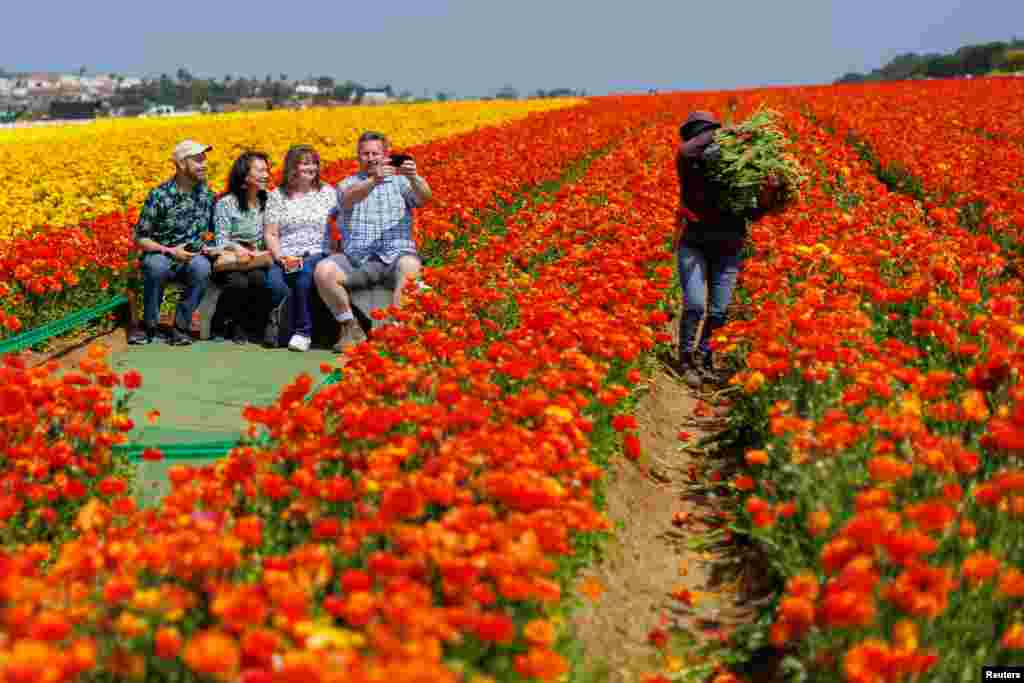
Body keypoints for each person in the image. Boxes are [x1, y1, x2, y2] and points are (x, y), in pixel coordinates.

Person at [673, 111, 780, 388]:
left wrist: (768, 192)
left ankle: (703, 357)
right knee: (696, 304)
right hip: (693, 244)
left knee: (719, 312)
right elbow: (685, 150)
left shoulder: (740, 177)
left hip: (729, 248)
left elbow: (755, 214)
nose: (704, 141)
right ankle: (685, 358)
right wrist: (729, 133)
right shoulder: (691, 169)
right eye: (701, 136)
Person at [314, 131, 432, 353]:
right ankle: (350, 327)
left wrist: (415, 177)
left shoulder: (401, 182)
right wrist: (373, 181)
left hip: (396, 254)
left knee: (410, 267)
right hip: (358, 258)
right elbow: (349, 199)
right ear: (358, 157)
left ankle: (396, 331)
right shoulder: (347, 184)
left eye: (375, 153)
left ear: (386, 155)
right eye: (365, 154)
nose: (370, 158)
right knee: (324, 271)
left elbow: (425, 198)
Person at [129, 140, 216, 346]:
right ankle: (150, 325)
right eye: (197, 160)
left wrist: (210, 247)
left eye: (204, 159)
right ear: (180, 164)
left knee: (202, 267)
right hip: (161, 254)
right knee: (156, 266)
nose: (204, 164)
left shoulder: (206, 194)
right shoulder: (159, 195)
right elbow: (141, 238)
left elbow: (212, 231)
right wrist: (169, 251)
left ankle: (180, 327)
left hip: (193, 257)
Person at [263, 145, 338, 351]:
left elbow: (342, 223)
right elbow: (271, 233)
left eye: (314, 162)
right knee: (274, 282)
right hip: (286, 253)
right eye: (305, 163)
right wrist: (280, 257)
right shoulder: (277, 195)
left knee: (305, 275)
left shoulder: (328, 192)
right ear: (292, 167)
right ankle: (283, 328)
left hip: (318, 252)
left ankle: (303, 332)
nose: (311, 167)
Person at [209, 151, 273, 344]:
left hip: (258, 257)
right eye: (261, 170)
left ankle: (247, 324)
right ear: (245, 175)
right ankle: (230, 323)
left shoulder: (268, 200)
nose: (266, 175)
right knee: (238, 282)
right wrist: (237, 248)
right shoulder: (226, 204)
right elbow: (220, 239)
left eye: (267, 170)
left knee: (259, 280)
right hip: (231, 259)